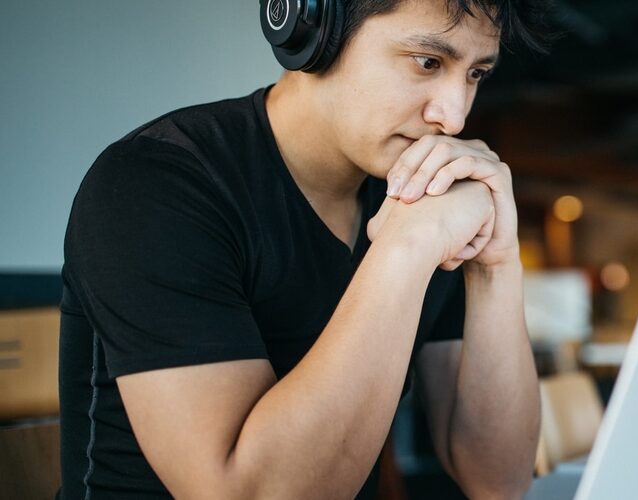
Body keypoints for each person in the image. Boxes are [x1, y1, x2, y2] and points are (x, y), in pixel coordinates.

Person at [58, 0, 549, 498]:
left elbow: (498, 481)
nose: (454, 116)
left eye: (475, 73)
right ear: (313, 28)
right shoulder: (156, 184)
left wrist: (495, 263)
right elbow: (247, 493)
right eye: (427, 62)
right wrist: (407, 246)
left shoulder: (422, 193)